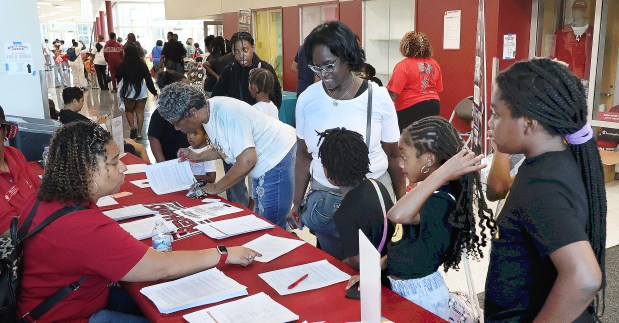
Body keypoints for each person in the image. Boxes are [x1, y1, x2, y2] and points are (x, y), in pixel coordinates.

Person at [17, 121, 260, 321]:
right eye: (113, 162)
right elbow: (162, 267)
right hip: (71, 316)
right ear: (87, 171)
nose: (123, 167)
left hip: (66, 301)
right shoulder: (84, 227)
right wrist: (225, 253)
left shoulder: (44, 198)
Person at [485, 58, 606, 321]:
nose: (490, 123)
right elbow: (496, 189)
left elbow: (584, 277)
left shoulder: (542, 185)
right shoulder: (551, 162)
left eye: (496, 113)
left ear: (528, 123)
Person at [347, 117, 493, 320]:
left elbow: (396, 215)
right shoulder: (427, 192)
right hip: (403, 288)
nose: (399, 163)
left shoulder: (440, 201)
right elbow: (407, 245)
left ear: (428, 160)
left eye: (405, 157)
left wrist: (442, 173)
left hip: (422, 297)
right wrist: (375, 269)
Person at [287, 21, 404, 254]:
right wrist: (297, 203)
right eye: (316, 67)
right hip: (324, 199)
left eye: (329, 66)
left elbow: (394, 156)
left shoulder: (378, 98)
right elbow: (303, 155)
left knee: (372, 267)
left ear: (348, 57)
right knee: (332, 264)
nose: (323, 74)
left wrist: (401, 204)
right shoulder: (308, 100)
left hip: (371, 196)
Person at [157, 83, 296, 229]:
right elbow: (227, 147)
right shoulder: (208, 113)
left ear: (192, 112)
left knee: (271, 223)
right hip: (268, 158)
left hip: (278, 156)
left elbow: (248, 160)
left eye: (177, 123)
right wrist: (197, 156)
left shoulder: (227, 114)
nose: (177, 128)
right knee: (262, 215)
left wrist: (216, 187)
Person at [314, 127, 395, 268]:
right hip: (391, 261)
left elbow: (357, 262)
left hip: (376, 278)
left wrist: (334, 265)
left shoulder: (344, 214)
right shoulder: (376, 185)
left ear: (328, 174)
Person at [58, 87, 149, 162]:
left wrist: (96, 124)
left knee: (130, 140)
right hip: (98, 147)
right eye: (82, 101)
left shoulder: (64, 115)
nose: (83, 104)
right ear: (74, 101)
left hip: (91, 144)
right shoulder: (75, 119)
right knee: (140, 147)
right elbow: (99, 137)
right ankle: (150, 173)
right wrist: (101, 125)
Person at [387, 31, 443, 131]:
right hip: (433, 105)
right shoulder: (434, 64)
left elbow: (393, 93)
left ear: (405, 46)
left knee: (406, 141)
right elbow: (438, 88)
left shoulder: (404, 65)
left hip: (410, 107)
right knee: (425, 139)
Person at [212, 32, 282, 108]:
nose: (241, 55)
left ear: (253, 48)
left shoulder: (265, 69)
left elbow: (276, 99)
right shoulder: (229, 70)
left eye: (245, 50)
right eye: (236, 51)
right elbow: (216, 97)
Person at [0, 105, 40, 237]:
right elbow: (8, 228)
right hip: (25, 242)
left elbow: (43, 190)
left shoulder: (14, 155)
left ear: (5, 131)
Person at [116, 45, 158, 140]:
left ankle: (132, 128)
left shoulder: (123, 64)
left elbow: (118, 76)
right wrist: (153, 91)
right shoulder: (142, 64)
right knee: (140, 112)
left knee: (129, 110)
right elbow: (148, 78)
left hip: (128, 90)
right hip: (141, 89)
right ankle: (139, 133)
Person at [148, 71, 190, 162]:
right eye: (186, 88)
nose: (190, 91)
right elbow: (154, 138)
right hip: (170, 161)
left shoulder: (191, 109)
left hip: (191, 160)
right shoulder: (160, 113)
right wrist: (162, 163)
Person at [551, 0, 593, 80]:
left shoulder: (593, 34)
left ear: (584, 12)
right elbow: (553, 56)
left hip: (585, 79)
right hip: (564, 78)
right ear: (572, 11)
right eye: (575, 10)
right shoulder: (561, 33)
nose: (578, 13)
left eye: (581, 10)